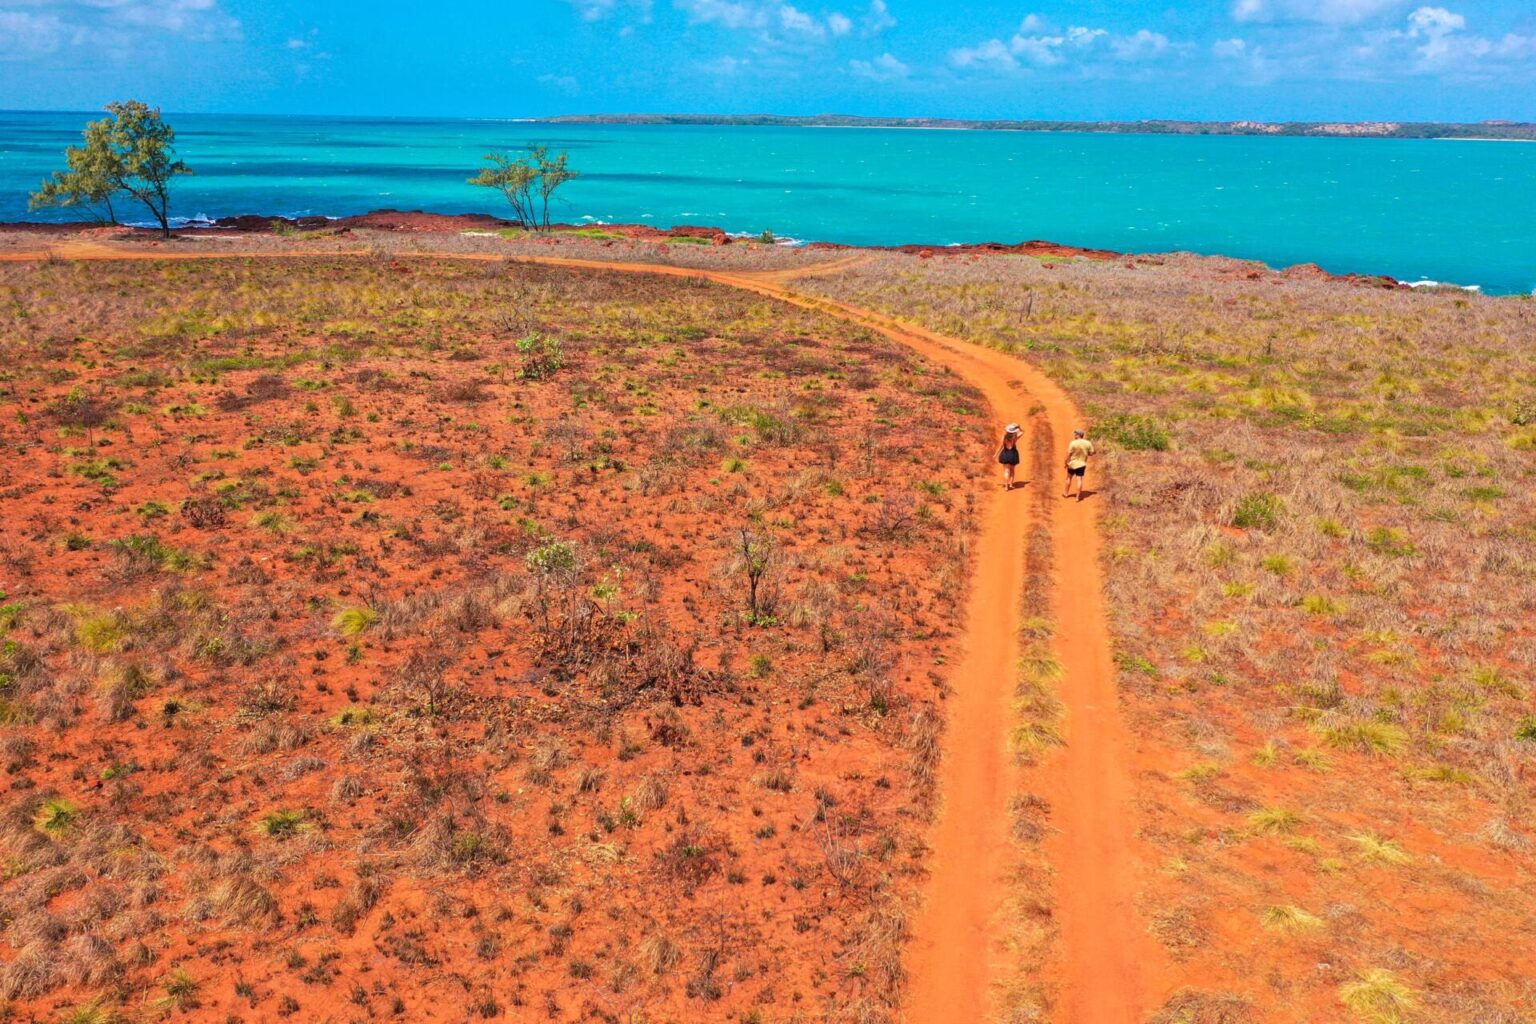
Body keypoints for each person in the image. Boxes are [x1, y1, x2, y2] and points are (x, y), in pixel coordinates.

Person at [1063, 429, 1094, 500]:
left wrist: (1065, 463)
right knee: (1079, 479)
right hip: (1082, 464)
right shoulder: (1088, 443)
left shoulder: (1073, 443)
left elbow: (1068, 454)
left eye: (1075, 434)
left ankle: (1066, 493)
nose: (1074, 435)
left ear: (1078, 435)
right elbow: (1091, 453)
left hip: (1072, 464)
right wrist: (1088, 453)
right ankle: (1077, 497)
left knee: (1069, 478)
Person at [997, 423, 1022, 491]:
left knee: (1006, 471)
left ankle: (1006, 486)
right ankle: (1011, 484)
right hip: (1013, 455)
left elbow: (1000, 447)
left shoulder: (1004, 437)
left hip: (1005, 455)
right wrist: (1019, 427)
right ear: (1014, 431)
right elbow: (1022, 432)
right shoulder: (1015, 437)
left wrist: (996, 454)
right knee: (1012, 470)